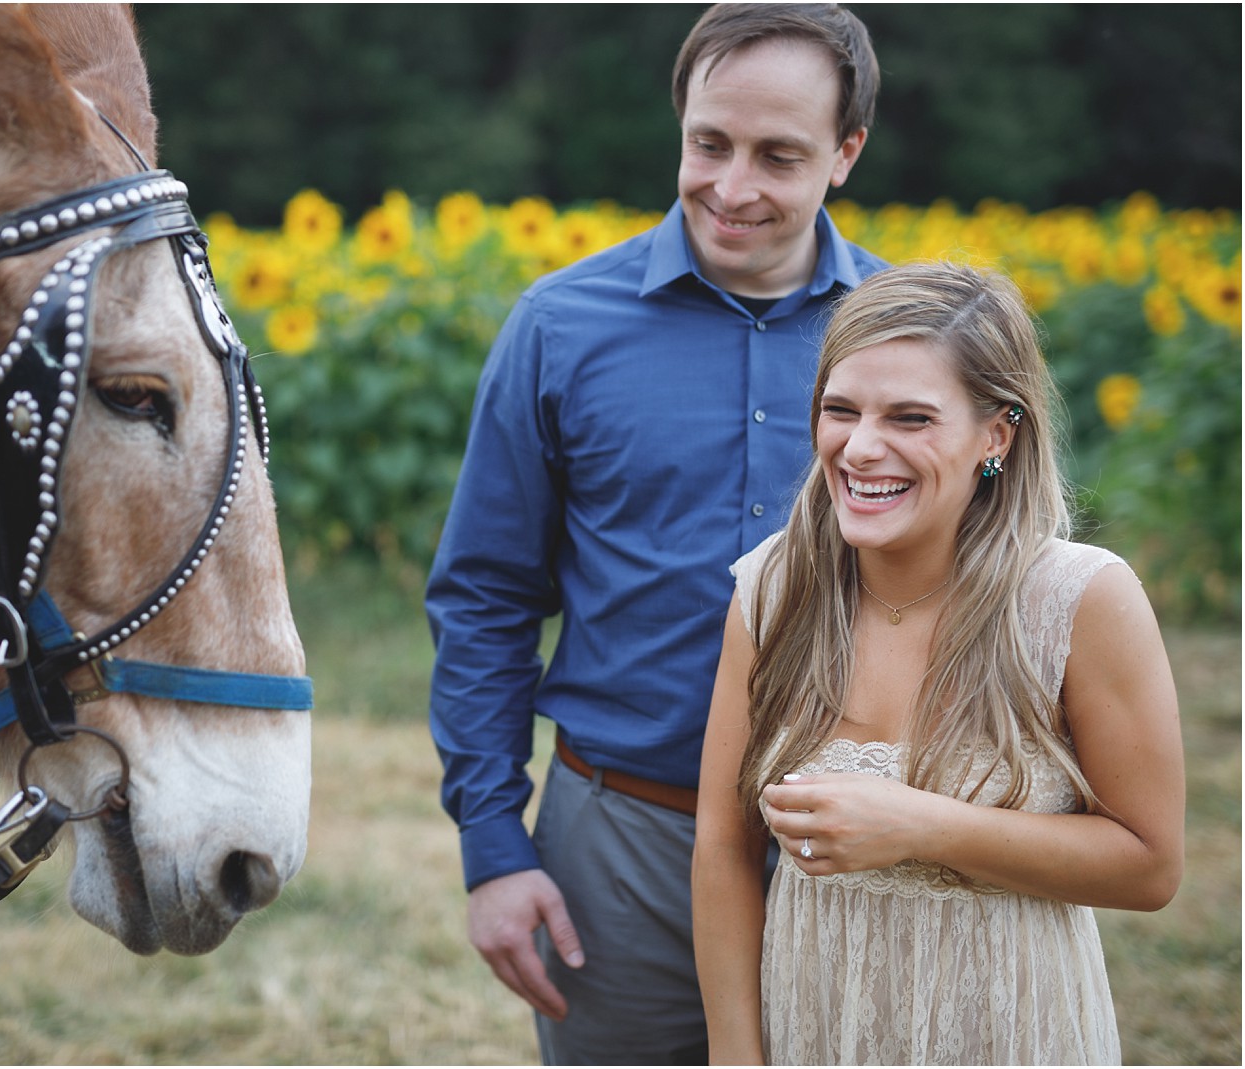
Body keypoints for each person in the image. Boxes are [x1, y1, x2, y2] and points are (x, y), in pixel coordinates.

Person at [425, 5, 885, 1062]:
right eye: (707, 144)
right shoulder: (557, 327)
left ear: (845, 153)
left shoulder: (911, 338)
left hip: (869, 845)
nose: (731, 187)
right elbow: (486, 597)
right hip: (627, 844)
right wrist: (494, 848)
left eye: (778, 156)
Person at [691, 261, 1186, 1065]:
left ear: (998, 434)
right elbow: (723, 842)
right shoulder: (773, 587)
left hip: (1010, 1022)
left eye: (911, 417)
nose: (861, 447)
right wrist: (736, 1057)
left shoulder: (1079, 600)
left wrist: (920, 824)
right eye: (839, 410)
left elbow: (1151, 866)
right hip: (815, 1015)